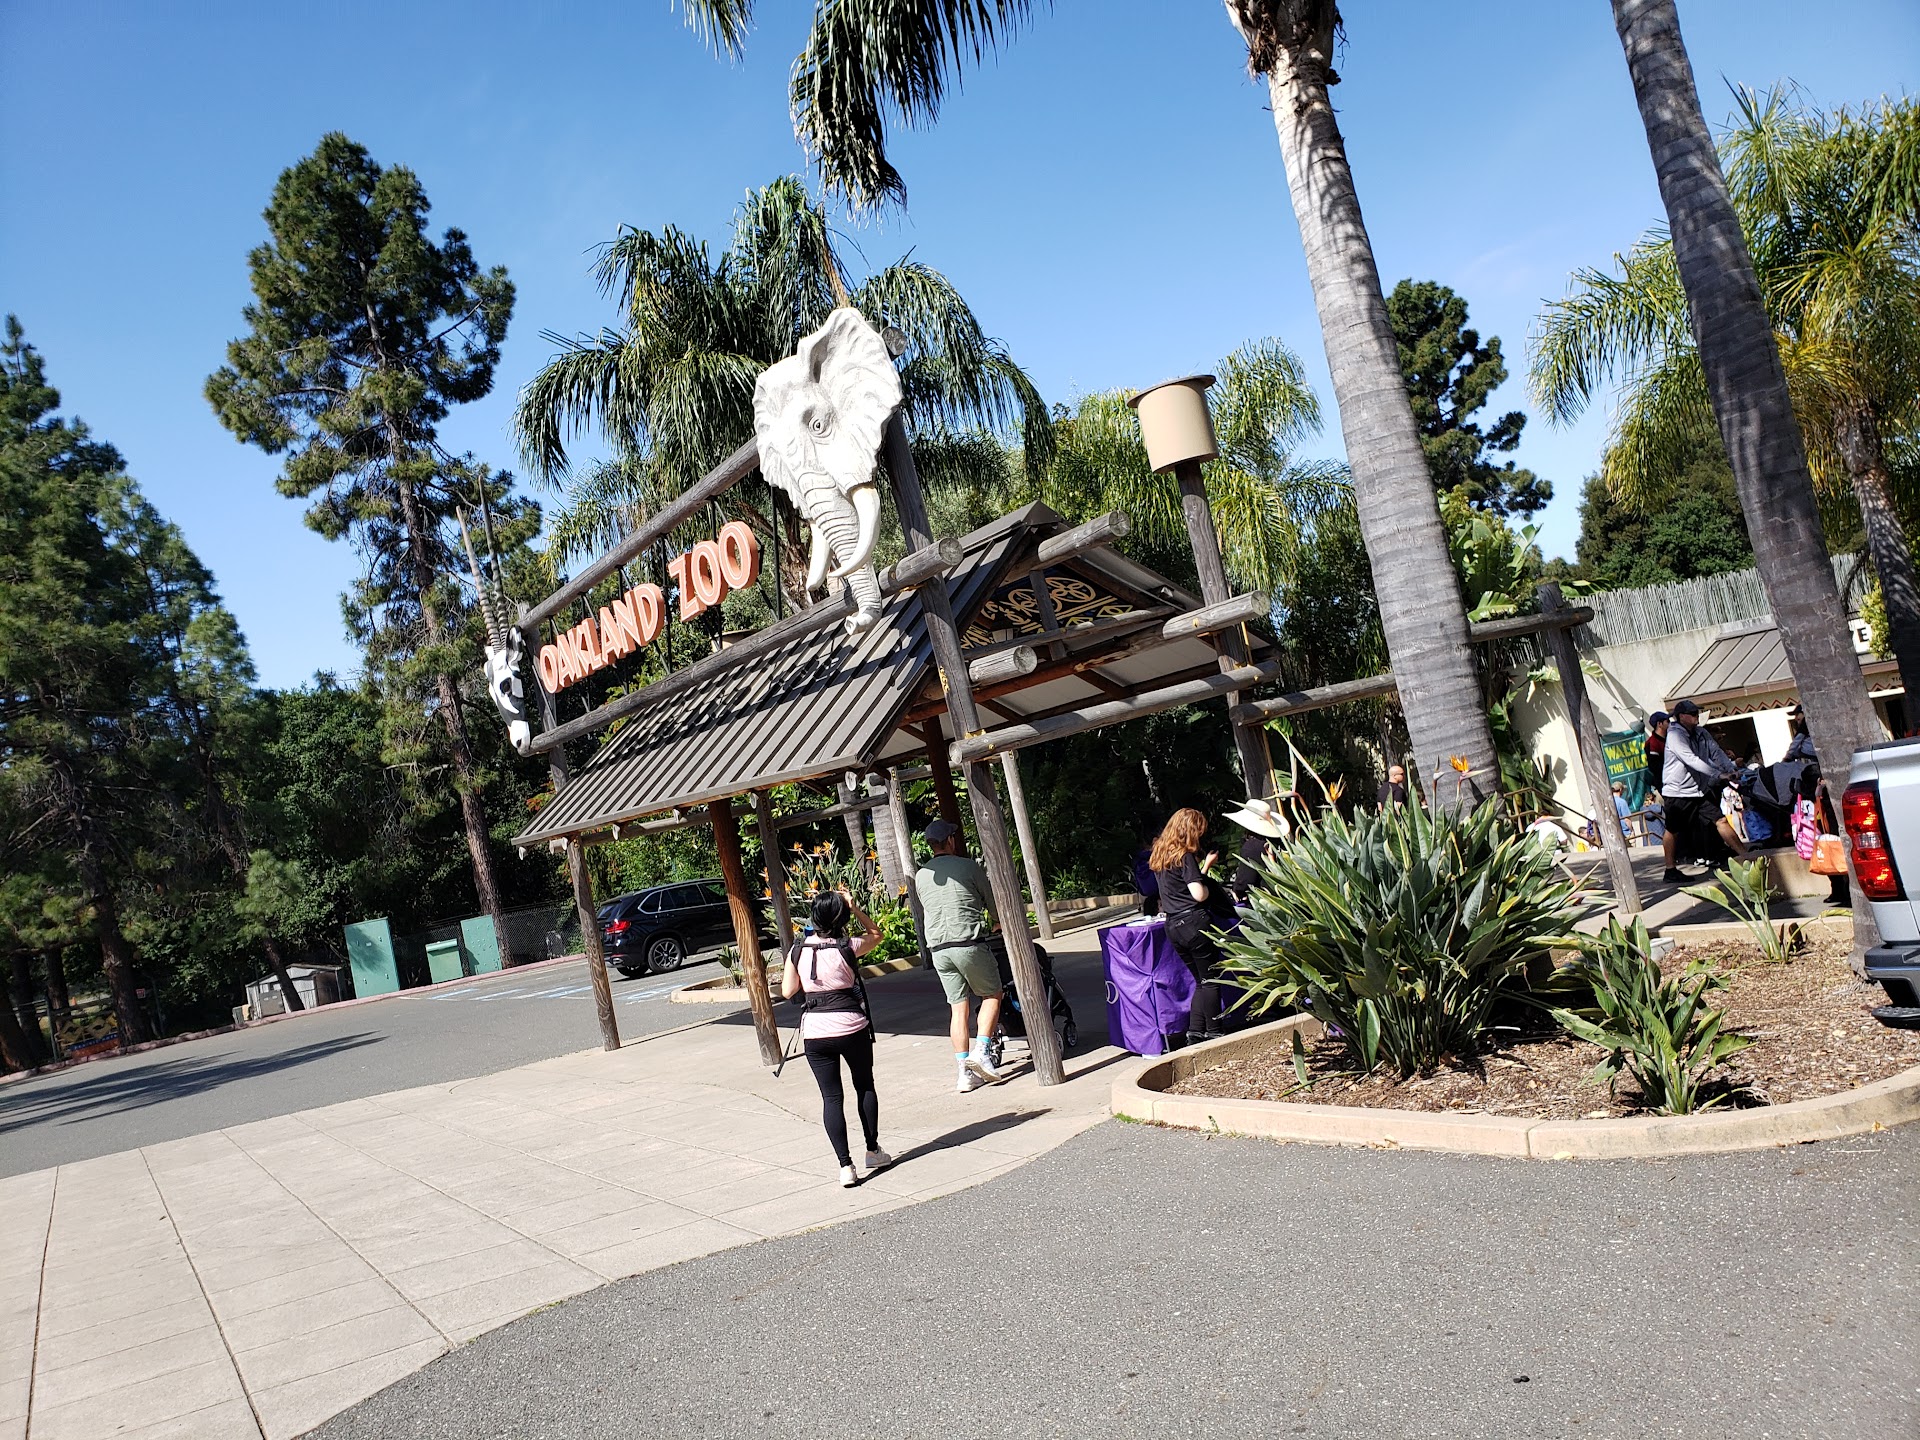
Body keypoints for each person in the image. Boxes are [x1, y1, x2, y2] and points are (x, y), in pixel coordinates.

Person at [783, 890, 890, 1189]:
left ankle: (845, 1167)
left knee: (831, 1098)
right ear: (841, 918)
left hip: (815, 1032)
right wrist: (854, 908)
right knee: (864, 1085)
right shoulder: (848, 946)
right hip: (851, 1026)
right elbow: (877, 934)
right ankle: (873, 1151)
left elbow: (787, 991)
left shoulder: (797, 949)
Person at [914, 819, 1009, 1092]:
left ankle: (963, 1073)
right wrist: (997, 921)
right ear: (951, 840)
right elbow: (992, 902)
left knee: (958, 1008)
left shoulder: (921, 876)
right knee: (992, 994)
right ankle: (982, 1051)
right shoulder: (969, 867)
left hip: (939, 950)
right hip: (968, 943)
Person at [1149, 808, 1234, 1046]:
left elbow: (1181, 889)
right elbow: (1198, 894)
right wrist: (1206, 879)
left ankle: (1195, 1030)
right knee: (1211, 979)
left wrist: (1203, 868)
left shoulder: (1160, 857)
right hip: (1194, 922)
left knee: (1200, 980)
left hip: (1173, 925)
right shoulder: (1184, 856)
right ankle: (1215, 1030)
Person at [1661, 698, 1743, 883]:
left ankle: (1745, 857)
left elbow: (1716, 752)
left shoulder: (1701, 732)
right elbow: (1691, 759)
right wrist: (1718, 774)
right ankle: (1670, 870)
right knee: (1673, 830)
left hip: (1699, 790)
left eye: (1696, 713)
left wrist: (1730, 769)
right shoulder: (1675, 735)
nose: (1696, 716)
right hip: (1679, 792)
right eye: (1692, 714)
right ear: (1681, 716)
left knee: (1720, 819)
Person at [1645, 711, 1676, 873]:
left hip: (1677, 784)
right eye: (1667, 721)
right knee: (1673, 821)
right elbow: (1655, 767)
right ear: (1659, 724)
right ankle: (1672, 862)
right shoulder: (1652, 743)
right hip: (1666, 786)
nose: (1669, 723)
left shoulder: (1671, 739)